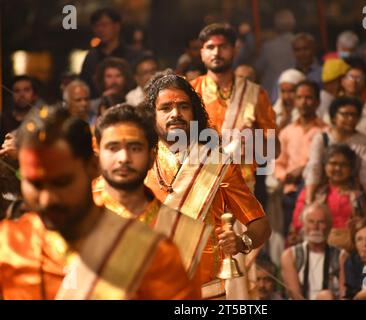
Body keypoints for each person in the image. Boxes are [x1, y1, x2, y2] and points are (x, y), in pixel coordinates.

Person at [0, 106, 199, 300]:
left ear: (93, 167)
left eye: (62, 182)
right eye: (35, 184)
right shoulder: (8, 244)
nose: (47, 199)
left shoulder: (152, 255)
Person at [143, 71, 271, 299]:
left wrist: (243, 242)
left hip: (207, 293)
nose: (175, 114)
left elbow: (261, 225)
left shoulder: (216, 163)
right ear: (151, 116)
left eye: (183, 106)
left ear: (194, 114)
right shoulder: (138, 162)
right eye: (165, 108)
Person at [93, 104, 210, 278]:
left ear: (151, 157)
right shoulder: (74, 216)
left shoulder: (181, 230)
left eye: (135, 148)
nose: (124, 158)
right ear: (97, 157)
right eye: (113, 148)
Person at [191, 23, 277, 190]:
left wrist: (254, 144)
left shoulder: (255, 93)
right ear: (202, 52)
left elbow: (273, 148)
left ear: (234, 50)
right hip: (199, 189)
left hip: (242, 188)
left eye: (223, 47)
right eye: (210, 47)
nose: (216, 52)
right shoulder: (189, 92)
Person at [304, 96, 366, 211]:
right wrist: (309, 200)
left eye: (354, 115)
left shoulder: (364, 142)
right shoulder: (321, 138)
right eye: (345, 115)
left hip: (353, 191)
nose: (350, 119)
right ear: (333, 117)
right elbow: (314, 167)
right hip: (324, 189)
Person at [274, 81, 327, 238]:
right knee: (292, 237)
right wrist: (285, 175)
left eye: (309, 97)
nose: (304, 102)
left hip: (316, 193)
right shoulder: (287, 132)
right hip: (290, 191)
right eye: (299, 97)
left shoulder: (325, 131)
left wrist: (304, 170)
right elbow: (278, 162)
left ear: (317, 101)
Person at [281, 203, 341, 300]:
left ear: (329, 226)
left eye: (321, 222)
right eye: (311, 222)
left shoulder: (340, 256)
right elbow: (296, 296)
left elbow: (344, 294)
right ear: (303, 225)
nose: (315, 227)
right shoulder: (290, 255)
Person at [80, 7, 141, 98]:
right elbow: (85, 85)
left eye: (104, 25)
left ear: (117, 26)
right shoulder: (91, 57)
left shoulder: (133, 55)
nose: (100, 30)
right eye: (96, 26)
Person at [254, 9, 296, 102]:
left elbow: (257, 69)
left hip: (271, 95)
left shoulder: (268, 47)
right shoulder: (300, 43)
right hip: (294, 94)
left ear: (276, 26)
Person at [1, 76, 46, 145]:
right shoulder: (3, 119)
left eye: (26, 90)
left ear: (34, 95)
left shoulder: (42, 119)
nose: (21, 95)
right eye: (16, 91)